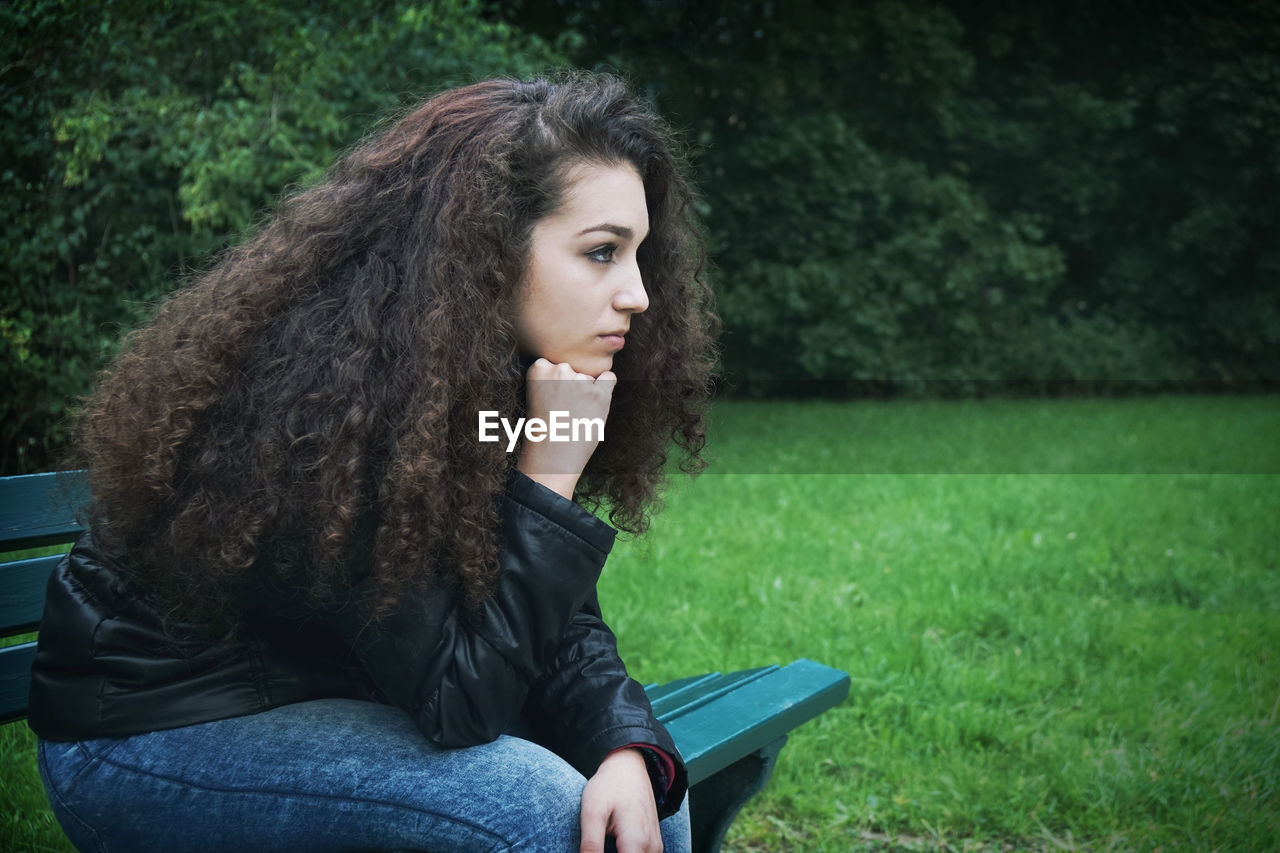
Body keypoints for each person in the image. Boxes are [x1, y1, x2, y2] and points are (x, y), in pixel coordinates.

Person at [28, 71, 719, 852]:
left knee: (647, 801)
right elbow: (463, 704)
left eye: (638, 254)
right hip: (149, 734)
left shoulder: (484, 367)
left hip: (327, 695)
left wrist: (623, 742)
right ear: (489, 247)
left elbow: (558, 626)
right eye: (601, 252)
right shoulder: (333, 404)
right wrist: (550, 472)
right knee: (541, 810)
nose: (638, 295)